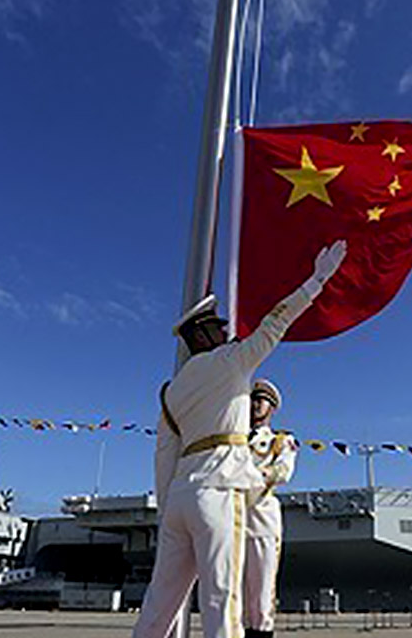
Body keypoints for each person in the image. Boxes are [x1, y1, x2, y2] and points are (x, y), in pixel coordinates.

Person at [132, 240, 347, 638]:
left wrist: (166, 510)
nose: (225, 331)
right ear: (202, 334)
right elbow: (276, 322)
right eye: (217, 327)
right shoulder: (230, 363)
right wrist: (317, 280)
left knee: (160, 603)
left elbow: (164, 455)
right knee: (221, 601)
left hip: (179, 495)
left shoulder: (171, 390)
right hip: (219, 490)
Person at [243, 378, 296, 638]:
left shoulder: (280, 441)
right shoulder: (233, 438)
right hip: (232, 518)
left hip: (261, 520)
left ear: (272, 408)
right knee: (234, 593)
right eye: (252, 399)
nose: (254, 404)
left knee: (261, 594)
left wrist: (245, 475)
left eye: (260, 400)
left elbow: (282, 471)